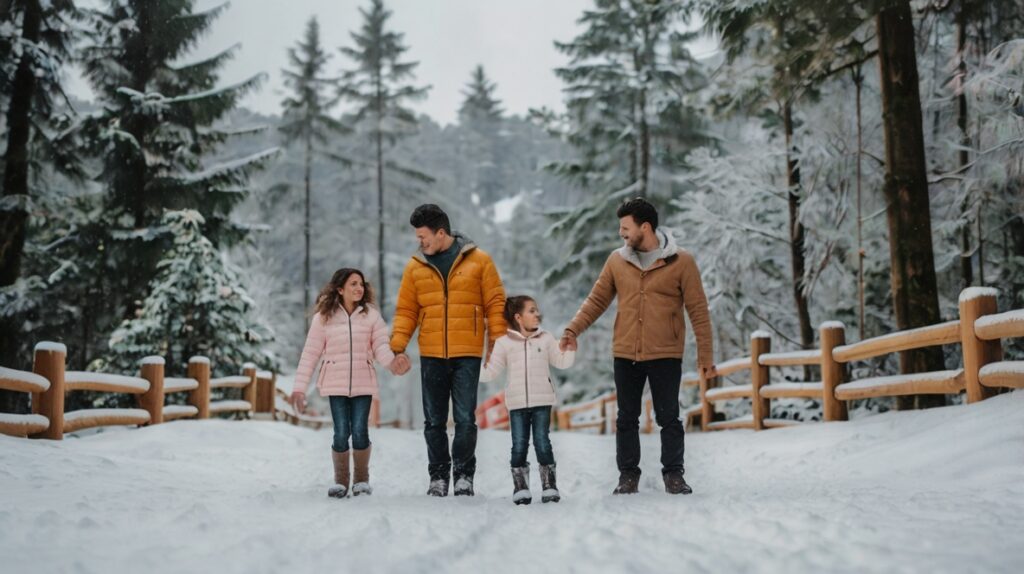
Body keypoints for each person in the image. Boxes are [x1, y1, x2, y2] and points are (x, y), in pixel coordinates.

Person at [560, 198, 717, 495]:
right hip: (626, 352)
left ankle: (674, 475)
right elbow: (596, 300)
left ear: (645, 227)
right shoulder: (617, 261)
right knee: (626, 418)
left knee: (669, 417)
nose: (621, 233)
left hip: (665, 352)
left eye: (625, 227)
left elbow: (698, 310)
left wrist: (706, 356)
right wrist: (573, 329)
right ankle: (628, 476)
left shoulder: (681, 261)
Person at [390, 204, 507, 497]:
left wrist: (497, 344)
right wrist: (397, 347)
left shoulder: (479, 261)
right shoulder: (415, 267)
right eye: (418, 237)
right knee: (434, 421)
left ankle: (464, 475)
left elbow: (495, 304)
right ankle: (439, 475)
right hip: (431, 354)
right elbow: (406, 310)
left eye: (423, 237)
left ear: (441, 233)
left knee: (466, 419)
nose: (420, 242)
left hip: (467, 353)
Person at [291, 268, 400, 498]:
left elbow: (381, 346)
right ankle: (341, 481)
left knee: (360, 430)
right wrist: (299, 389)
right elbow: (310, 353)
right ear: (340, 289)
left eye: (361, 284)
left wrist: (392, 363)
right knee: (341, 432)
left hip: (363, 381)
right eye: (353, 284)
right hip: (335, 383)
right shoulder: (324, 317)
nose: (359, 288)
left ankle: (361, 480)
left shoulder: (371, 315)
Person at [481, 295, 575, 505]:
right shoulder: (504, 343)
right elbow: (492, 371)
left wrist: (569, 349)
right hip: (517, 404)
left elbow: (560, 362)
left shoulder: (546, 338)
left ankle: (549, 485)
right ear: (518, 317)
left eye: (537, 310)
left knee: (543, 443)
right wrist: (474, 367)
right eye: (531, 310)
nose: (537, 314)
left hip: (542, 401)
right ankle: (521, 487)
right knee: (519, 446)